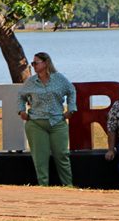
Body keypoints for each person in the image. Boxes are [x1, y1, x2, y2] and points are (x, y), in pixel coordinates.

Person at [18, 52, 77, 187]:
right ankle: (43, 188)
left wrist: (71, 109)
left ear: (45, 63)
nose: (33, 66)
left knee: (62, 155)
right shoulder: (31, 81)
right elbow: (21, 96)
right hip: (36, 123)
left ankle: (68, 186)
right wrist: (21, 111)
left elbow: (71, 91)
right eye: (32, 63)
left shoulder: (59, 79)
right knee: (40, 158)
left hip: (57, 122)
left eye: (36, 63)